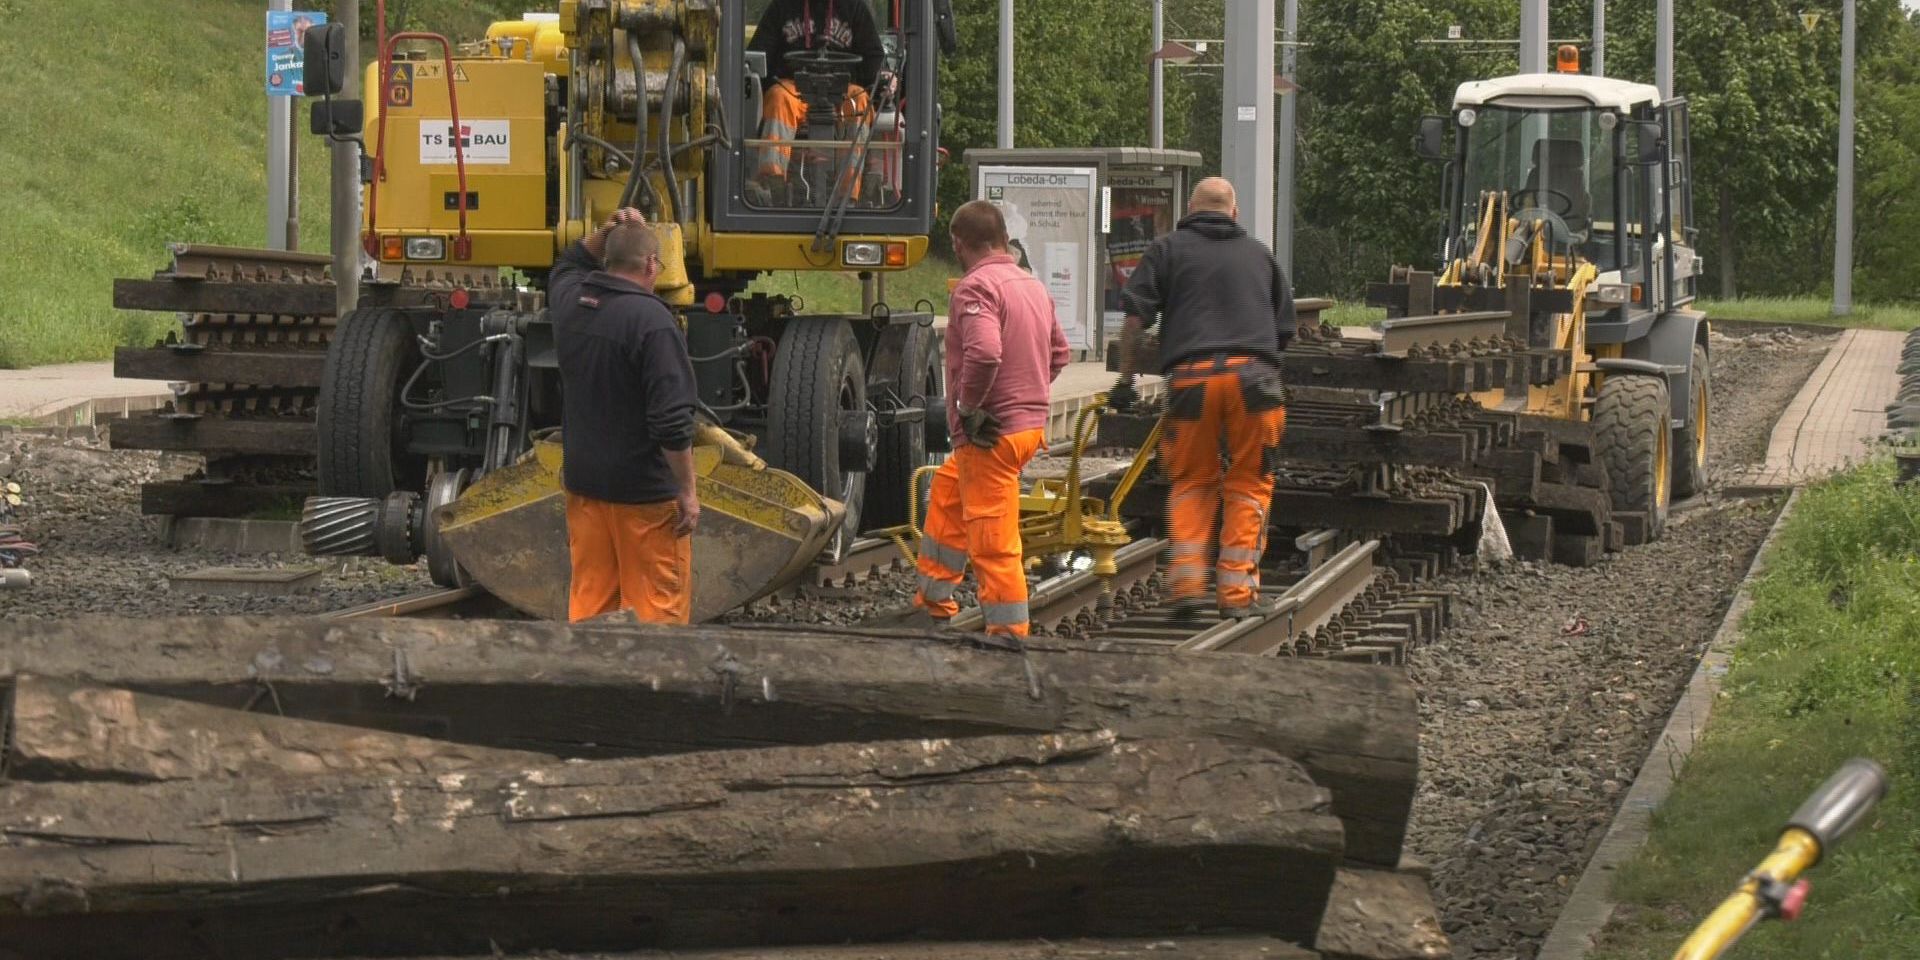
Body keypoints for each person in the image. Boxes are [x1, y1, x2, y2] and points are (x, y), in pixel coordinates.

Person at [1110, 177, 1294, 620]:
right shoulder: (1260, 255)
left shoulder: (1168, 249)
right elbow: (1284, 332)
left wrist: (1126, 380)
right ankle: (1237, 595)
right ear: (1234, 214)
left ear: (1188, 211)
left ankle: (1188, 585)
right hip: (1255, 380)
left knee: (1192, 481)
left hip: (1191, 380)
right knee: (1249, 482)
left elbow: (1134, 321)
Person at [914, 200, 1071, 639]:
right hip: (1025, 430)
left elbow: (984, 353)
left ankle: (1008, 636)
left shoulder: (975, 288)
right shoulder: (1031, 285)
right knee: (948, 490)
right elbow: (1059, 354)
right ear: (1003, 239)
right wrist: (1026, 396)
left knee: (993, 542)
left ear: (959, 243)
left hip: (989, 435)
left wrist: (968, 407)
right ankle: (933, 600)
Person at [549, 208, 701, 624]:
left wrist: (609, 229)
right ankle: (649, 688)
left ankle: (590, 685)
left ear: (607, 261)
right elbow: (671, 422)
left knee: (591, 604)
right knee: (655, 609)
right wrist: (687, 491)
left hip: (586, 488)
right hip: (645, 497)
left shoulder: (569, 304)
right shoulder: (653, 323)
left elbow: (568, 261)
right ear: (652, 265)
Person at [746, 0, 888, 197]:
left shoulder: (855, 7)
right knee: (778, 97)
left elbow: (874, 59)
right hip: (794, 88)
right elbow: (759, 56)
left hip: (841, 91)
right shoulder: (781, 7)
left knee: (860, 100)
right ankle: (772, 182)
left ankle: (848, 194)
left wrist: (886, 80)